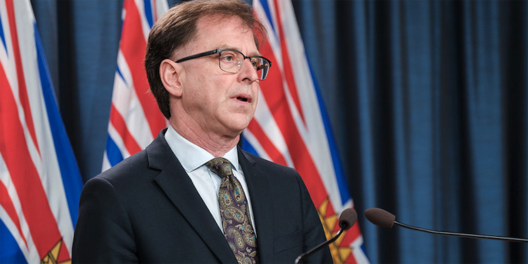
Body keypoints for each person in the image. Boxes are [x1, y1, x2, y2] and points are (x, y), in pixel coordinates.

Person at [72, 0, 332, 263]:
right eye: (228, 57)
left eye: (254, 62)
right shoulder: (115, 196)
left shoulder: (288, 187)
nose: (250, 74)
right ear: (174, 77)